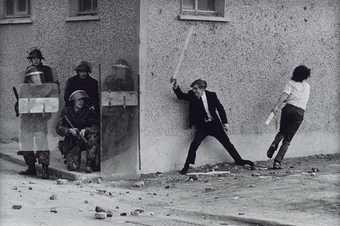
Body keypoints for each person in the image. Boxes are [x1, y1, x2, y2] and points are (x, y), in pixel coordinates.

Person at [171, 78, 254, 174]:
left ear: (203, 89)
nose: (193, 91)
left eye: (195, 89)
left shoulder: (212, 96)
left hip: (215, 125)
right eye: (193, 89)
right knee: (194, 145)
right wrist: (175, 86)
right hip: (202, 127)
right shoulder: (192, 95)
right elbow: (181, 96)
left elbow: (220, 109)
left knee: (227, 143)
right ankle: (186, 166)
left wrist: (225, 123)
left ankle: (239, 160)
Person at [17, 48, 56, 179]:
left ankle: (44, 168)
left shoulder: (47, 75)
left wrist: (47, 109)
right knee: (25, 140)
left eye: (37, 58)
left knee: (42, 141)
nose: (35, 60)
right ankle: (31, 167)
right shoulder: (26, 78)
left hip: (40, 116)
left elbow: (52, 94)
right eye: (33, 58)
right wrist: (19, 106)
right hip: (28, 117)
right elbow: (21, 96)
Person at [266, 65, 311, 169]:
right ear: (306, 75)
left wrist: (276, 107)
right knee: (288, 139)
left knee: (282, 131)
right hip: (300, 112)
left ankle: (274, 144)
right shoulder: (308, 87)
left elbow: (284, 96)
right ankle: (277, 162)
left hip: (288, 109)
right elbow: (301, 99)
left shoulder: (290, 83)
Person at [56, 90, 99, 173]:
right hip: (73, 141)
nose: (81, 102)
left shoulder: (88, 111)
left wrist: (86, 130)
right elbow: (58, 128)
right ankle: (68, 156)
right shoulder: (66, 111)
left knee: (93, 138)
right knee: (73, 167)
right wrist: (69, 130)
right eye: (79, 100)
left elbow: (96, 126)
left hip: (85, 139)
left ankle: (89, 164)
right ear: (73, 101)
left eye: (83, 100)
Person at [101, 59, 136, 159]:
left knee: (121, 132)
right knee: (106, 131)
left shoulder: (129, 81)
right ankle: (106, 152)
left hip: (122, 112)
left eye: (122, 70)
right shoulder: (109, 79)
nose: (120, 71)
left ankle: (114, 151)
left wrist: (130, 113)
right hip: (109, 111)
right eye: (118, 69)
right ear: (115, 69)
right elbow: (105, 93)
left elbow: (130, 97)